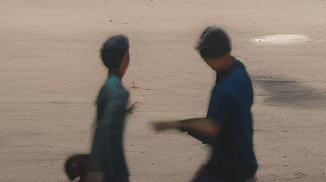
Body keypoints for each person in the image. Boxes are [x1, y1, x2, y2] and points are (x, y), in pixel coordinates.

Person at [151, 26, 258, 182]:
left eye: (208, 60)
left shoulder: (225, 89)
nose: (206, 63)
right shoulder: (239, 69)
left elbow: (211, 127)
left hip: (227, 167)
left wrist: (178, 125)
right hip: (244, 160)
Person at [89, 34, 134, 182]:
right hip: (114, 169)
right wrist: (96, 168)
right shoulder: (119, 91)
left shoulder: (108, 86)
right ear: (125, 57)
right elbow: (104, 127)